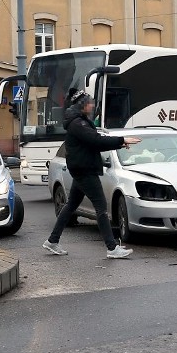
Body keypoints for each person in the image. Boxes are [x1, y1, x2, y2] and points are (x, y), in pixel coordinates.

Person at [43, 89, 141, 259]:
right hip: (85, 171)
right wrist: (121, 140)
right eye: (90, 103)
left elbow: (94, 142)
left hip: (82, 169)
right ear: (82, 105)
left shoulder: (80, 122)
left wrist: (119, 143)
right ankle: (112, 248)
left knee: (71, 205)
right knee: (101, 208)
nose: (92, 106)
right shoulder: (78, 124)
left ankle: (52, 241)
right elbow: (96, 141)